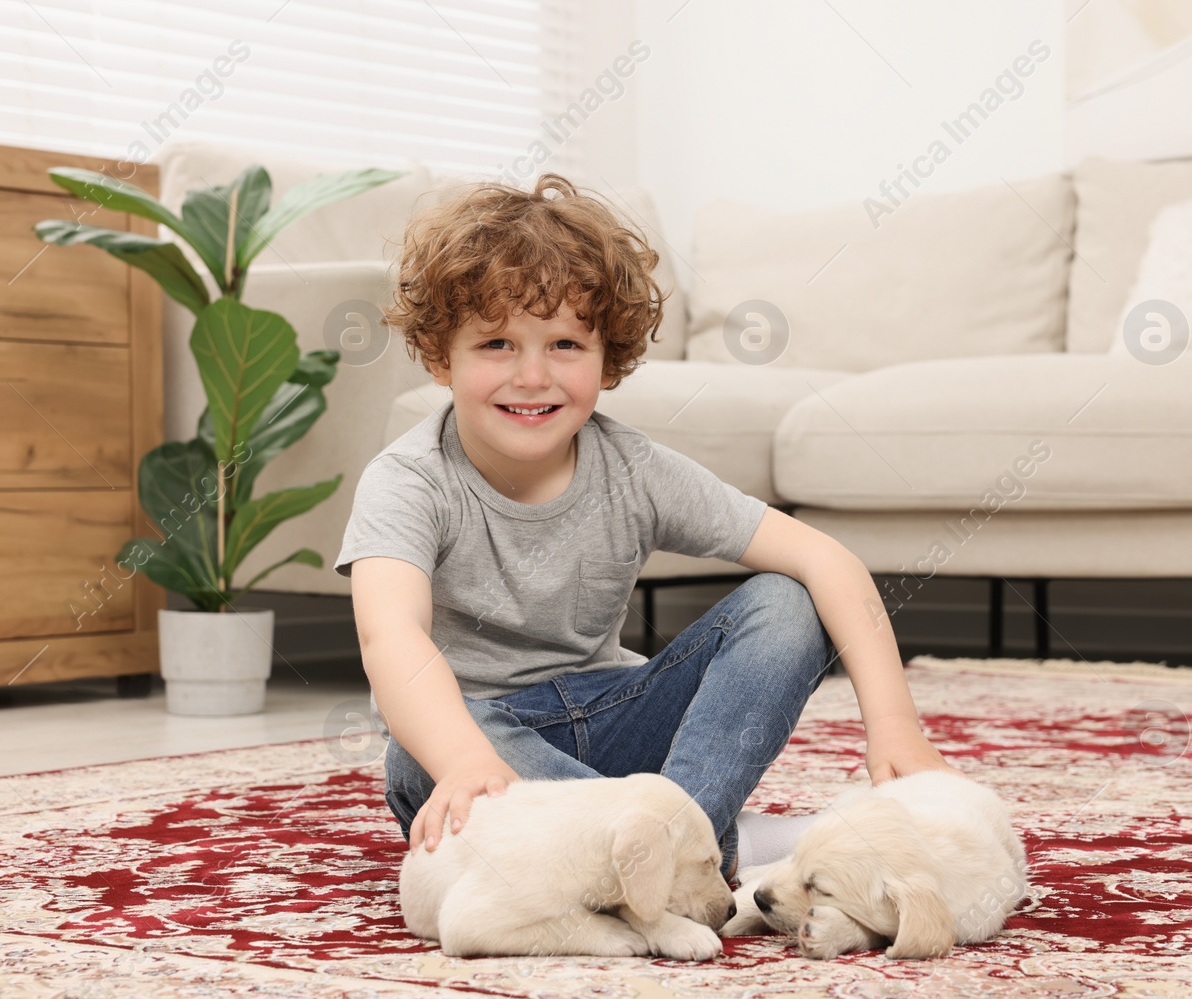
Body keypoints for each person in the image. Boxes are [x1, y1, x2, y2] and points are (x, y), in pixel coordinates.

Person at [334, 173, 963, 885]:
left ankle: (660, 844)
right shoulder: (407, 480)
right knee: (414, 754)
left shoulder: (632, 468)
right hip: (484, 746)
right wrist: (463, 759)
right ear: (442, 356)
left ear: (609, 360)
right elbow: (391, 636)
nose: (533, 374)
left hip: (622, 721)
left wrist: (894, 725)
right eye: (498, 344)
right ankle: (718, 847)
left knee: (788, 601)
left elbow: (825, 557)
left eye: (566, 344)